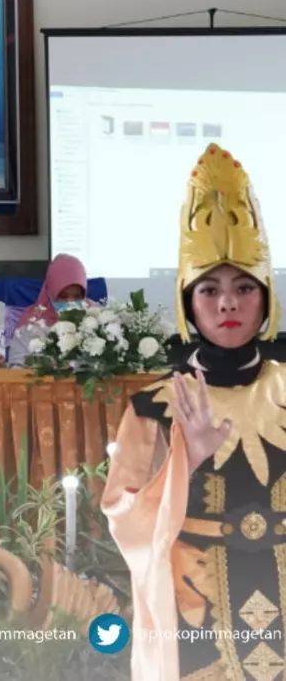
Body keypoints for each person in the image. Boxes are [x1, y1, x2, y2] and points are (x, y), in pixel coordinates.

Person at [102, 144, 285, 679]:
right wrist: (186, 462)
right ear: (188, 302)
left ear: (266, 298)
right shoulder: (154, 407)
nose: (228, 303)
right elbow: (123, 518)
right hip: (195, 604)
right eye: (210, 289)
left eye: (244, 287)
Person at [7, 254, 91, 366]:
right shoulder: (31, 323)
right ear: (51, 293)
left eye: (77, 297)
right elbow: (16, 365)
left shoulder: (96, 319)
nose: (70, 303)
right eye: (63, 296)